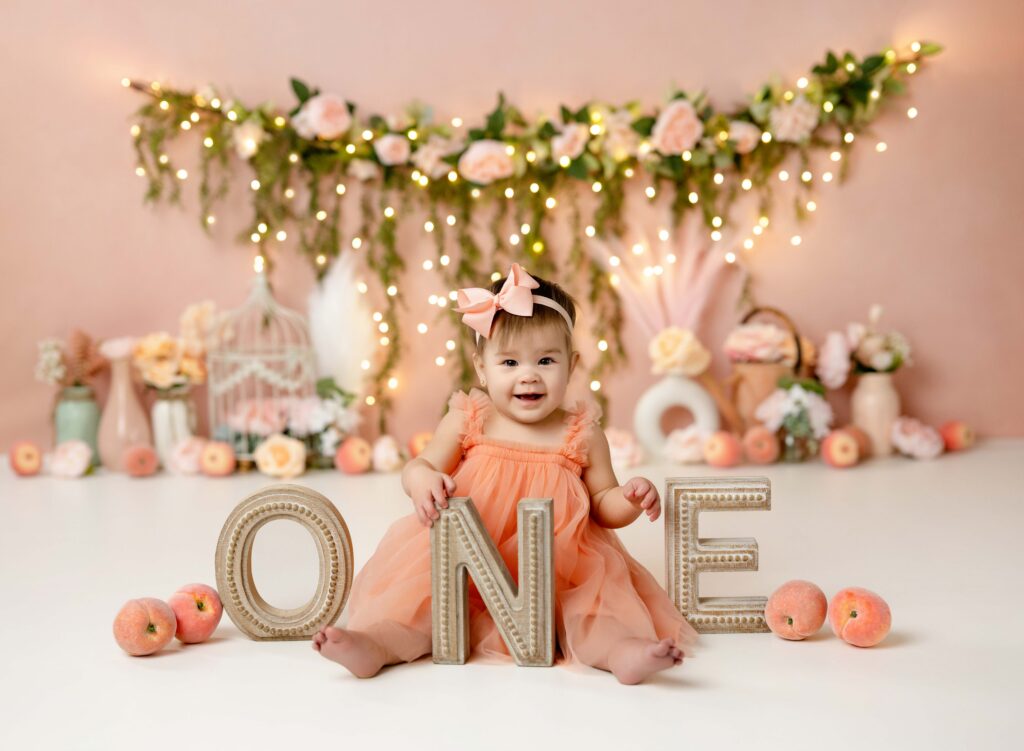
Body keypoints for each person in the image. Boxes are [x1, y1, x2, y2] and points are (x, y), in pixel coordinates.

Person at [313, 263, 697, 684]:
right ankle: (375, 645)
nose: (528, 374)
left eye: (545, 360)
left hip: (559, 570)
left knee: (592, 612)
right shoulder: (469, 419)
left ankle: (625, 653)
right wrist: (421, 479)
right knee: (423, 608)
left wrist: (630, 498)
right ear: (482, 367)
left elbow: (603, 505)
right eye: (510, 361)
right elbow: (419, 467)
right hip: (470, 566)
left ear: (572, 365)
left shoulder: (581, 433)